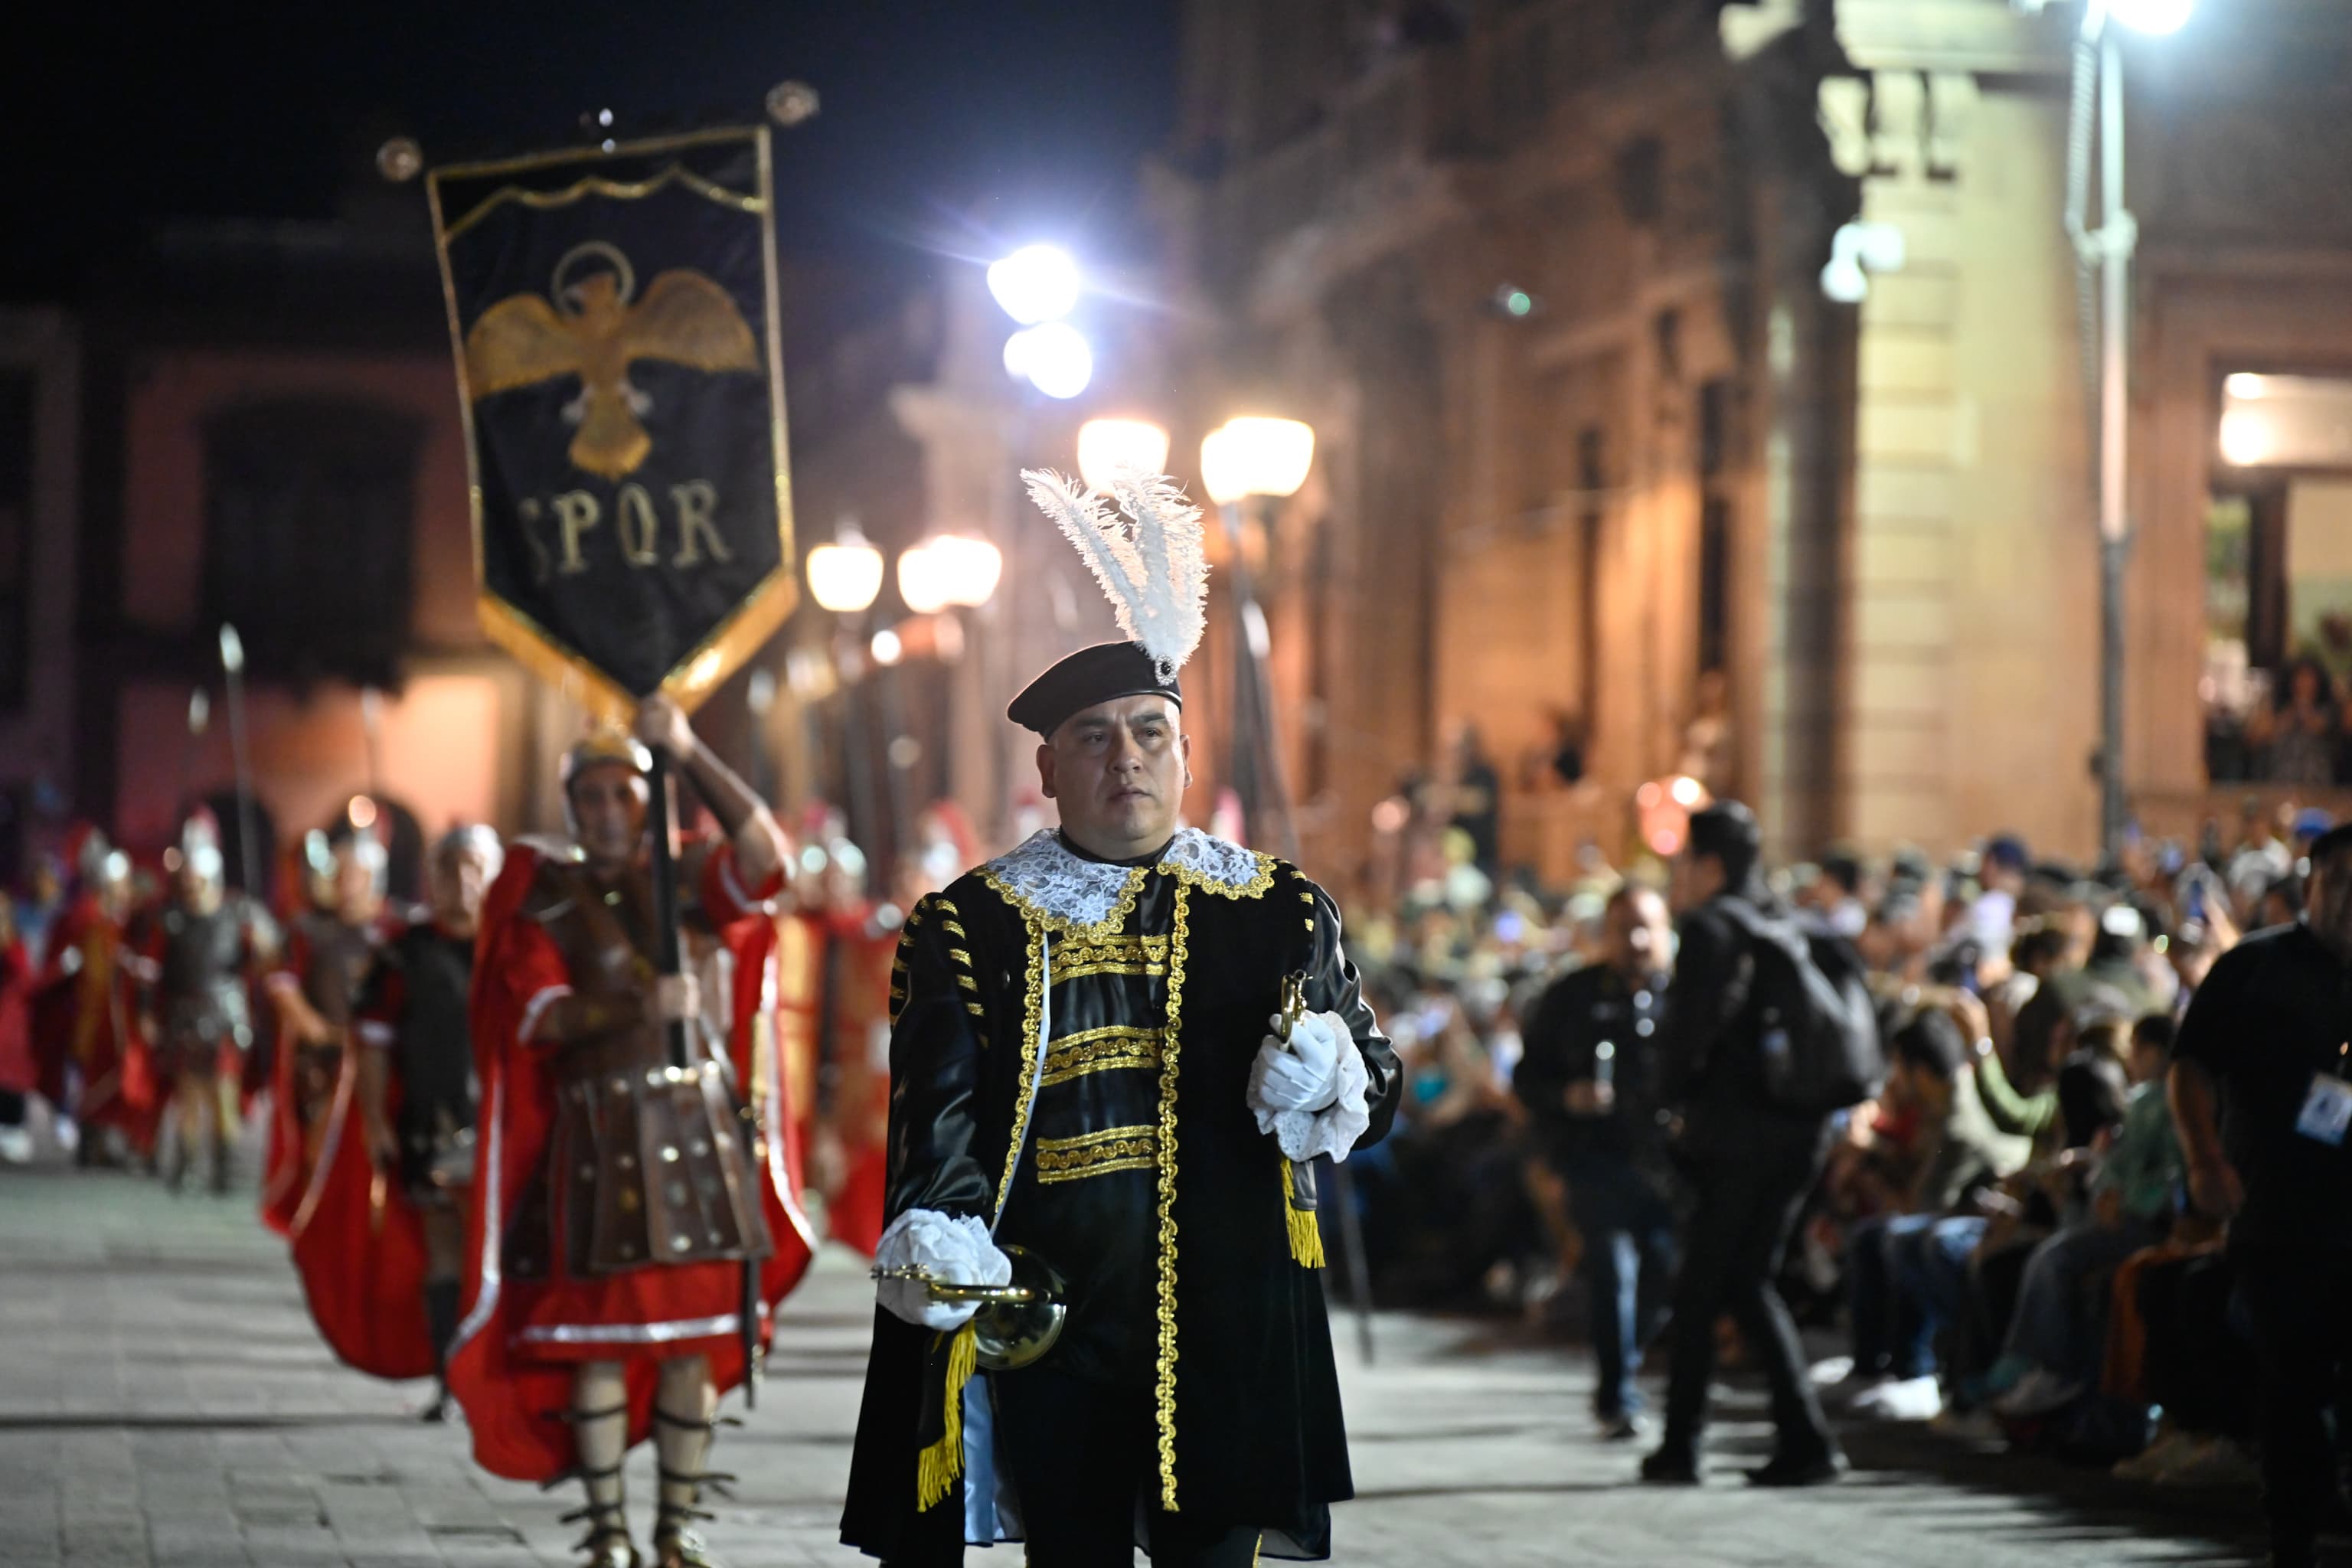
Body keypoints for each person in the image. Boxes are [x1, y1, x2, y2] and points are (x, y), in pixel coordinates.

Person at [841, 466, 1401, 1566]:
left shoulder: (1281, 910)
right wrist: (943, 1232)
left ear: (1187, 752)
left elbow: (1373, 1095)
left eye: (1150, 731)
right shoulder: (971, 925)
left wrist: (1334, 1074)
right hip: (1054, 1313)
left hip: (1232, 1310)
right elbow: (938, 1118)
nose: (1127, 758)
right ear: (1050, 768)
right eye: (1095, 738)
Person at [452, 700, 814, 1568]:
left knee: (694, 1336)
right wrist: (631, 1004)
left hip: (696, 1131)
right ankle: (610, 1527)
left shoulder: (688, 877)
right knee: (601, 1340)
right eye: (593, 798)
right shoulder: (544, 894)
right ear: (573, 807)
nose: (610, 812)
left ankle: (676, 1526)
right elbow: (535, 1015)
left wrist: (687, 750)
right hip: (597, 1134)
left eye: (625, 794)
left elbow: (769, 856)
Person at [1642, 800, 1844, 1487]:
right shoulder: (1788, 921)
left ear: (1710, 864)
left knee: (1705, 1286)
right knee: (1746, 1278)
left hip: (1737, 1136)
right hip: (1801, 1133)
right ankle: (1803, 1438)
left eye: (1684, 862)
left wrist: (1663, 1100)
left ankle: (1684, 1444)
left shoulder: (1711, 930)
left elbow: (1688, 1034)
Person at [2170, 819, 2352, 1568]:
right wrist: (2205, 1158)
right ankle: (2292, 1535)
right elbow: (2189, 1066)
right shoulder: (2254, 968)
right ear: (2311, 885)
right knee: (2293, 1378)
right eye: (2341, 882)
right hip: (2280, 1209)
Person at [350, 825, 502, 1419]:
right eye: (448, 869)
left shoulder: (515, 948)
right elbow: (372, 1041)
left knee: (502, 1257)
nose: (461, 882)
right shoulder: (403, 953)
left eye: (473, 868)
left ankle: (498, 1380)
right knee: (444, 1252)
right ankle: (449, 1377)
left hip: (505, 1129)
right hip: (431, 1125)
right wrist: (373, 1121)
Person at [1514, 883, 1677, 1439]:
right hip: (1597, 1161)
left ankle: (1622, 1365)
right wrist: (1567, 1098)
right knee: (1612, 1272)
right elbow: (1527, 1078)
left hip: (1668, 1167)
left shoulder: (1684, 998)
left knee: (1663, 1275)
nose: (1636, 940)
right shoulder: (1571, 998)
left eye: (1646, 927)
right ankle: (1618, 1397)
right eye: (1624, 927)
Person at [261, 831, 389, 1233]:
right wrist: (310, 1023)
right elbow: (281, 983)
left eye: (353, 873)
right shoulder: (308, 929)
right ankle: (323, 1229)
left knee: (372, 1150)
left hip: (375, 1062)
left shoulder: (394, 931)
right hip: (324, 1059)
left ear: (372, 876)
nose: (342, 881)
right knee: (320, 1147)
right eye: (339, 872)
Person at [142, 815, 277, 1194]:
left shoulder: (238, 913)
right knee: (188, 1094)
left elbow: (267, 958)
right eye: (186, 876)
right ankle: (186, 1163)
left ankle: (223, 1166)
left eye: (197, 877)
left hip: (225, 1014)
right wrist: (148, 1013)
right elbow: (157, 971)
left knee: (223, 1094)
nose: (190, 883)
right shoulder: (171, 918)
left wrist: (261, 942)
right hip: (184, 1015)